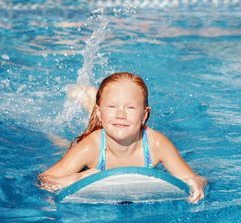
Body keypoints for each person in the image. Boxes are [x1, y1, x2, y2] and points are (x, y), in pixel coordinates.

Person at [38, 72, 207, 203]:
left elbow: (193, 178)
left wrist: (197, 184)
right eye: (112, 106)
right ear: (100, 111)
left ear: (144, 115)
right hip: (94, 147)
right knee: (62, 144)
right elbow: (44, 181)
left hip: (106, 125)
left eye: (131, 108)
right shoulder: (91, 147)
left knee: (112, 121)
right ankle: (90, 102)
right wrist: (77, 178)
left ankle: (95, 103)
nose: (121, 114)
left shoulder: (155, 144)